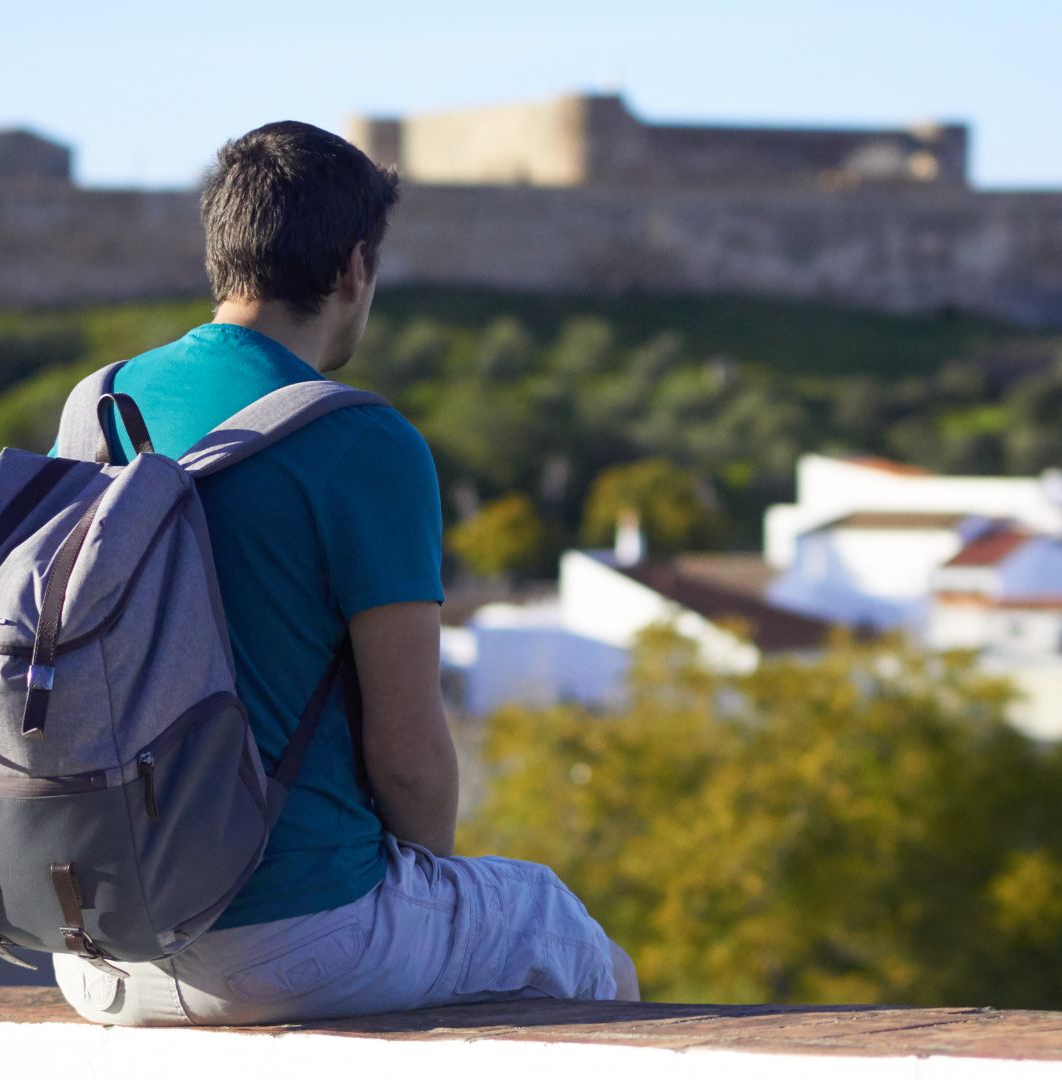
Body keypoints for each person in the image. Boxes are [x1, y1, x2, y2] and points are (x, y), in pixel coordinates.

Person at [50, 121, 639, 1025]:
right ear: (355, 268)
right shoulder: (361, 442)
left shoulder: (97, 406)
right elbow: (407, 759)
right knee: (562, 932)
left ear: (222, 257)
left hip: (94, 950)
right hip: (297, 941)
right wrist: (420, 883)